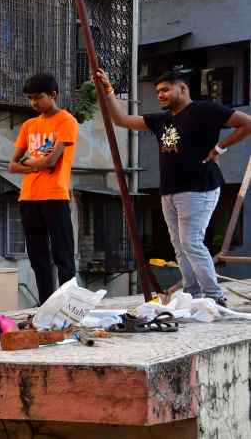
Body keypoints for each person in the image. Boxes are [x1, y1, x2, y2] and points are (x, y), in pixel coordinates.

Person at [98, 69, 251, 305]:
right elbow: (122, 120)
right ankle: (192, 293)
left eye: (165, 89)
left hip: (199, 187)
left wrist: (220, 148)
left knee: (190, 241)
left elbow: (246, 123)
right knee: (179, 245)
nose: (161, 95)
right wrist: (108, 90)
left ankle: (215, 296)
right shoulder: (163, 120)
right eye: (158, 91)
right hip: (169, 191)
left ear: (182, 88)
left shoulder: (203, 110)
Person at [8, 73, 80, 304]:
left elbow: (52, 162)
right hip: (28, 197)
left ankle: (67, 305)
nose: (34, 103)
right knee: (38, 257)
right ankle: (46, 304)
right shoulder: (29, 125)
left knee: (63, 255)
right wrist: (34, 165)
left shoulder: (66, 120)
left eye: (38, 97)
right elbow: (12, 165)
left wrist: (29, 162)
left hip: (55, 196)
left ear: (53, 95)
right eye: (30, 98)